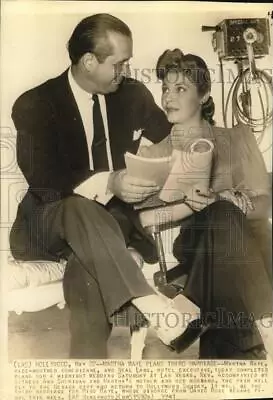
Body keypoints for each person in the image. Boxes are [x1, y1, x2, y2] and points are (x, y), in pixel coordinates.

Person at [9, 15, 201, 359]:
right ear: (88, 62)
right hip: (47, 225)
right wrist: (110, 181)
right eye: (119, 63)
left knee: (87, 273)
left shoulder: (131, 95)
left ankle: (88, 370)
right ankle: (149, 301)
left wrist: (178, 162)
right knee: (78, 206)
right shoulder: (35, 104)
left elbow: (174, 134)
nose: (125, 71)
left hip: (107, 231)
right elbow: (45, 183)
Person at [138, 49, 273, 359]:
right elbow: (143, 220)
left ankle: (196, 316)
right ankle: (266, 326)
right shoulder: (152, 155)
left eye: (180, 89)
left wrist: (233, 204)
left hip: (242, 248)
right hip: (193, 245)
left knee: (229, 219)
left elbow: (266, 206)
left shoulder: (237, 139)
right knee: (222, 213)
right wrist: (194, 204)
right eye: (165, 89)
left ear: (203, 95)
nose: (168, 98)